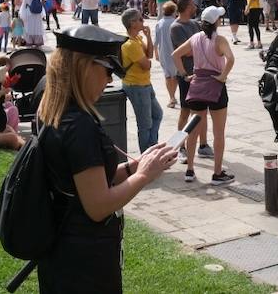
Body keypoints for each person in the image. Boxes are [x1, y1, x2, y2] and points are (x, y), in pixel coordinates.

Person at [35, 25, 178, 292]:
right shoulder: (79, 126)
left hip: (63, 251)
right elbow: (98, 205)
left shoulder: (55, 111)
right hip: (85, 259)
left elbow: (87, 179)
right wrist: (144, 175)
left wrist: (136, 165)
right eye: (107, 71)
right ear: (85, 67)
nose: (110, 80)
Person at [172, 5, 235, 185]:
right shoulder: (220, 40)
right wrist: (223, 76)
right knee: (218, 132)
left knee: (193, 130)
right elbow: (230, 59)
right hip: (215, 85)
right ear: (216, 21)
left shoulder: (195, 37)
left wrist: (185, 75)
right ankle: (217, 173)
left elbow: (175, 54)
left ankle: (190, 170)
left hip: (198, 84)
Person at [119, 8, 162, 152]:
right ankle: (146, 154)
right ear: (132, 23)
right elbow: (146, 65)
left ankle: (152, 145)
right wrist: (146, 61)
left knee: (157, 114)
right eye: (140, 19)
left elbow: (149, 55)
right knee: (145, 124)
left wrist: (148, 36)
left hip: (145, 84)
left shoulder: (138, 38)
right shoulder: (130, 44)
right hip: (136, 85)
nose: (143, 21)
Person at [152, 0, 179, 109]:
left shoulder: (160, 23)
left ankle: (171, 97)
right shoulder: (176, 22)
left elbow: (156, 41)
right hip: (176, 52)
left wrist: (156, 53)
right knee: (175, 76)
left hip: (164, 52)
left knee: (167, 76)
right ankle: (173, 95)